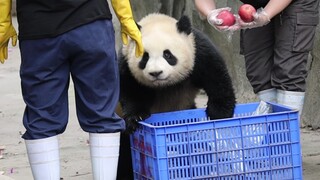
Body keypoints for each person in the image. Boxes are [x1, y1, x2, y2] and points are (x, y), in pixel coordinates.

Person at [0, 0, 143, 179]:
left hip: (38, 32)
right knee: (102, 113)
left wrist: (3, 20)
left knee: (42, 118)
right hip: (91, 25)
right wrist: (125, 17)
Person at [195, 0, 319, 116]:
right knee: (258, 71)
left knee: (289, 70)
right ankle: (271, 132)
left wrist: (266, 15)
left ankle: (288, 133)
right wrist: (210, 14)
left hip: (297, 3)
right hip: (254, 5)